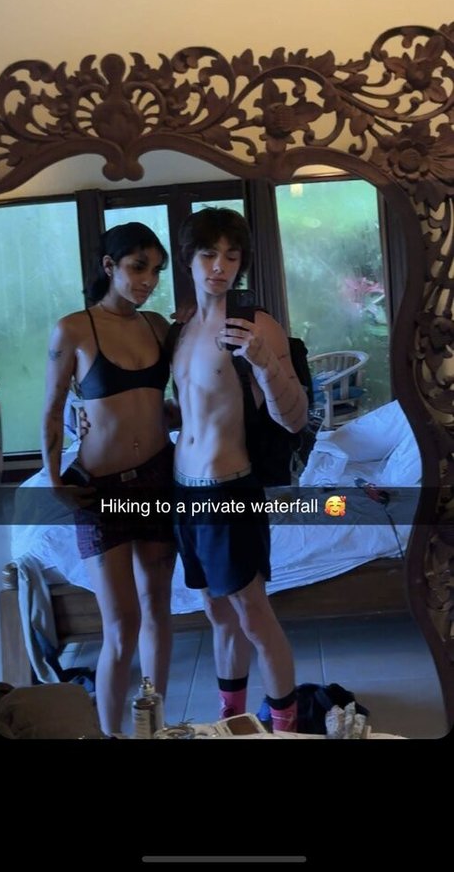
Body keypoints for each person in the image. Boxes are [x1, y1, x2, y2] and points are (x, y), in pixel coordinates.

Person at [172, 207, 309, 731]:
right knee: (217, 614)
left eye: (231, 256)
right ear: (189, 259)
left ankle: (285, 726)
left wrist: (264, 362)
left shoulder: (255, 325)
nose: (219, 267)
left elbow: (294, 418)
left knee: (252, 614)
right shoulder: (181, 329)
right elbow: (192, 409)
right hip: (184, 491)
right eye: (209, 254)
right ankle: (233, 720)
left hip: (229, 489)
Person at [41, 222, 176, 736]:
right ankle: (109, 733)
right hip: (101, 489)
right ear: (109, 266)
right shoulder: (74, 329)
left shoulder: (158, 326)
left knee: (158, 610)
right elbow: (52, 410)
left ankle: (154, 726)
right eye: (138, 267)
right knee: (122, 626)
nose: (148, 280)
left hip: (159, 476)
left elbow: (171, 397)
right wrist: (54, 480)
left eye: (156, 271)